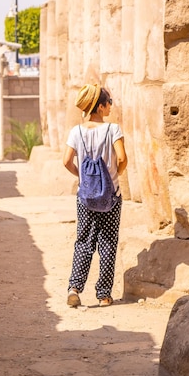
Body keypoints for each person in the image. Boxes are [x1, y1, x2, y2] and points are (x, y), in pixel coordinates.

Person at [63, 83, 128, 308]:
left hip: (85, 196)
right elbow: (122, 158)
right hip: (110, 196)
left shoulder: (76, 131)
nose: (111, 106)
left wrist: (82, 177)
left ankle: (74, 288)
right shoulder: (113, 130)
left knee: (83, 241)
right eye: (108, 102)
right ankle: (103, 294)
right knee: (108, 242)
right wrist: (113, 177)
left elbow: (66, 161)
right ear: (100, 107)